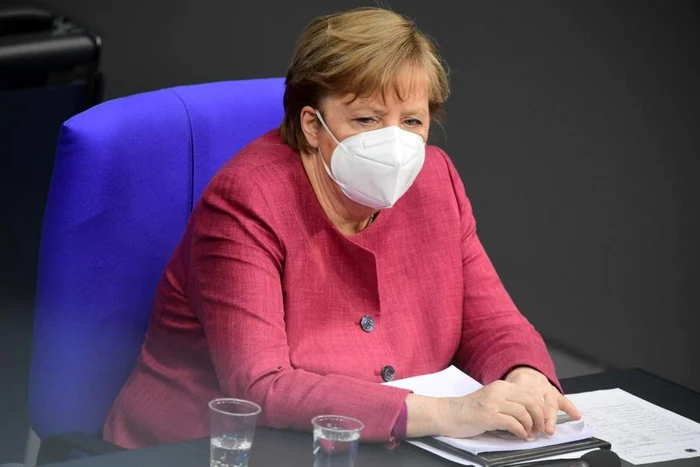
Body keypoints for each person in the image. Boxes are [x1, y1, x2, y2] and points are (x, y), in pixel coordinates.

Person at [103, 6, 580, 449]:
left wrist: (525, 375)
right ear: (313, 124)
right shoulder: (245, 201)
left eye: (412, 120)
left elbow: (493, 324)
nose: (394, 141)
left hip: (368, 450)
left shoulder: (437, 183)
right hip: (209, 449)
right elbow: (259, 386)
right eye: (368, 119)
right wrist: (447, 414)